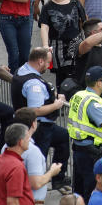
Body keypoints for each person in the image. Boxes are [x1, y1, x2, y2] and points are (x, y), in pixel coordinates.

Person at [11, 48, 70, 192]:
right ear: (40, 61)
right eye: (48, 63)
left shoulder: (22, 70)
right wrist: (56, 104)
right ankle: (34, 188)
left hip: (30, 125)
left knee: (63, 137)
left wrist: (54, 95)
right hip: (39, 127)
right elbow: (35, 110)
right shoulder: (33, 84)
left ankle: (58, 177)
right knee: (39, 159)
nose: (49, 66)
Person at [67, 66, 102, 198]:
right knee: (90, 192)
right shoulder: (94, 102)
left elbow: (92, 118)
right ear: (98, 83)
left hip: (79, 148)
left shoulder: (81, 95)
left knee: (79, 191)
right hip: (90, 154)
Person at [0, 123, 35, 205]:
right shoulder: (16, 167)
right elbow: (12, 201)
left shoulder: (1, 158)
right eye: (27, 138)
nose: (29, 140)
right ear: (20, 142)